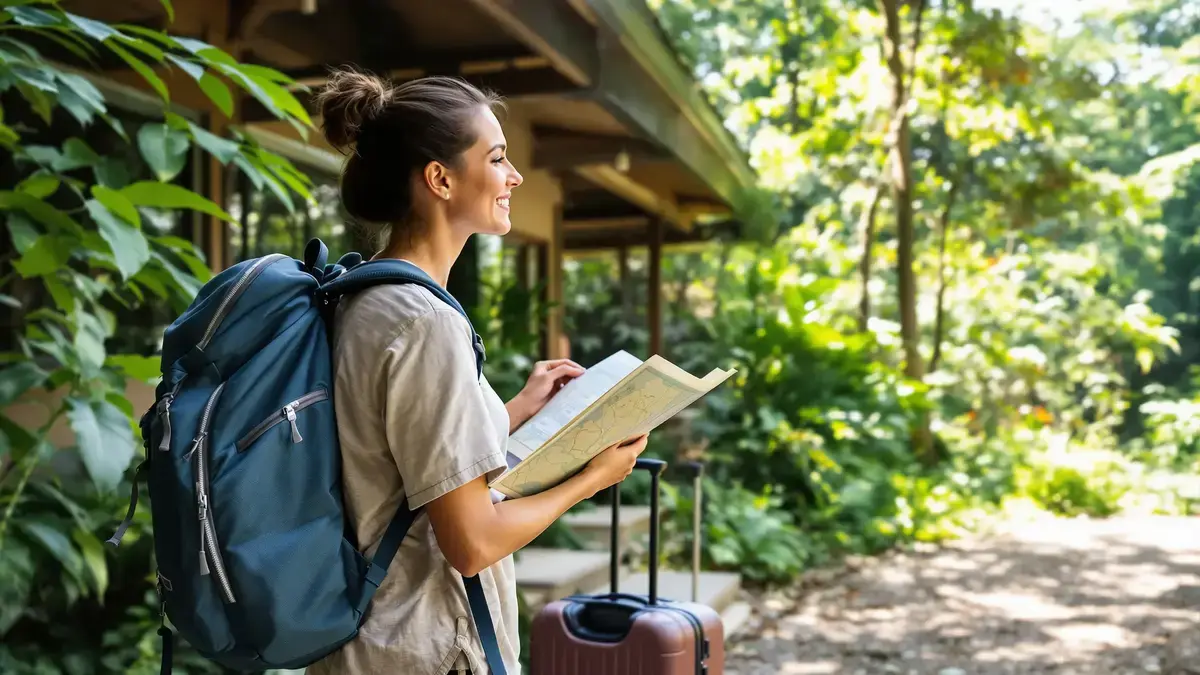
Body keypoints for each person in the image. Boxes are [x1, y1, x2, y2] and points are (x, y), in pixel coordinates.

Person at [304, 69, 650, 675]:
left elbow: (396, 459)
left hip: (364, 644)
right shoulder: (421, 322)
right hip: (421, 648)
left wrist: (517, 409)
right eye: (496, 158)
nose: (514, 176)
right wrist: (591, 480)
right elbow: (473, 543)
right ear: (439, 178)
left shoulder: (363, 298)